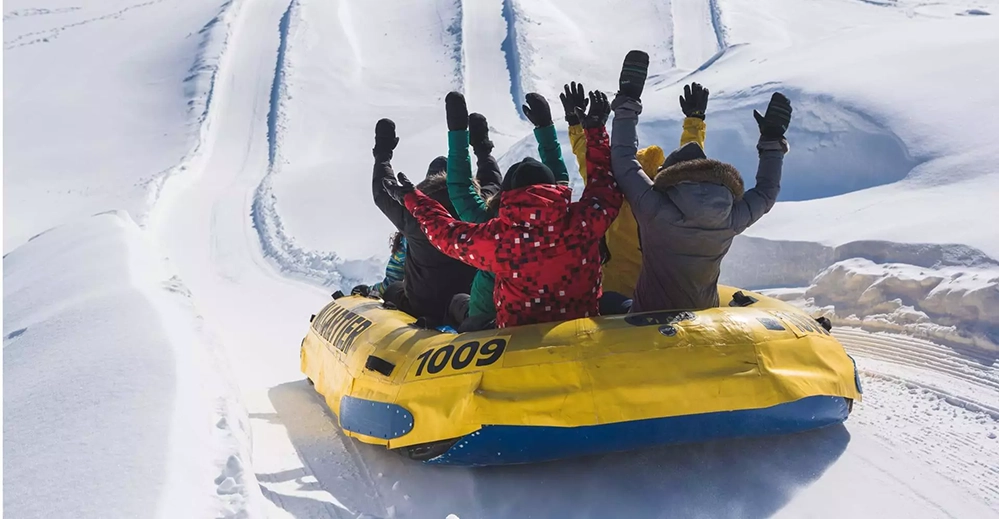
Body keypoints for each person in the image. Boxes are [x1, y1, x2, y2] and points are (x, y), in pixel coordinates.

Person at [380, 92, 623, 328]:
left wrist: (414, 200)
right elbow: (605, 185)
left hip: (514, 345)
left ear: (507, 196)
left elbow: (447, 232)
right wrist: (595, 131)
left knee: (459, 306)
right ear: (556, 190)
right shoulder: (584, 222)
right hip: (581, 331)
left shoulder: (499, 240)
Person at [610, 50, 792, 313]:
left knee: (608, 301)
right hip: (705, 315)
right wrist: (773, 141)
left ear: (669, 178)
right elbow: (766, 193)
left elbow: (624, 160)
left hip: (648, 316)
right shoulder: (729, 215)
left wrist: (628, 100)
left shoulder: (656, 210)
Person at [561, 80, 709, 306]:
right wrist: (695, 120)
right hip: (663, 298)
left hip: (614, 299)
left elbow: (587, 159)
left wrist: (576, 124)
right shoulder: (671, 202)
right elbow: (689, 167)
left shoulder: (609, 198)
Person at [442, 91, 572, 331]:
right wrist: (545, 128)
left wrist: (457, 135)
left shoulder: (493, 229)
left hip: (491, 321)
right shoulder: (571, 221)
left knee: (456, 303)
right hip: (565, 314)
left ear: (506, 195)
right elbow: (559, 182)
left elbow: (460, 189)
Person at [370, 119, 477, 326]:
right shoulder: (475, 209)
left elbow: (383, 192)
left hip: (423, 306)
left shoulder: (415, 215)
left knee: (394, 290)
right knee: (463, 301)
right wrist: (483, 151)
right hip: (464, 302)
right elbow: (492, 184)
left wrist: (383, 155)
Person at [367, 232, 406, 298]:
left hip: (420, 300)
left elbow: (391, 282)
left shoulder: (408, 241)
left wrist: (370, 291)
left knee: (393, 289)